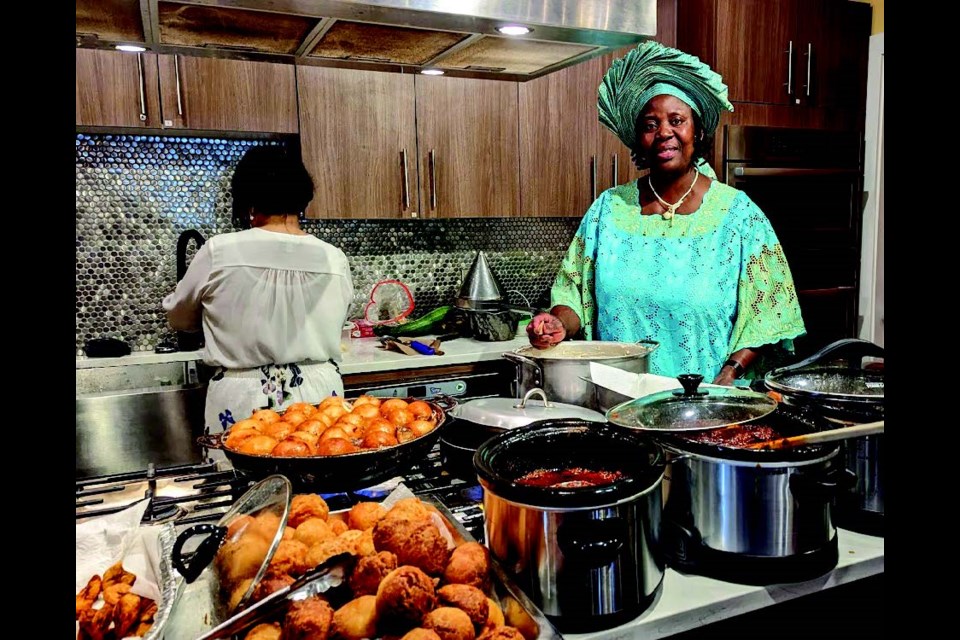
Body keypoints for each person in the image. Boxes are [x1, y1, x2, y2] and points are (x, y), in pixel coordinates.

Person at [527, 42, 806, 386]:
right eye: (650, 123)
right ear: (638, 138)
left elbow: (769, 317)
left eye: (677, 120)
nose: (664, 133)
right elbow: (572, 295)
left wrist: (728, 375)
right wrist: (557, 323)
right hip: (618, 401)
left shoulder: (738, 216)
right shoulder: (609, 210)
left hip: (702, 404)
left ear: (697, 131)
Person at [163, 145, 354, 442]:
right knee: (320, 481)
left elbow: (180, 319)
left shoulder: (219, 251)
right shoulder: (334, 258)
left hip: (245, 398)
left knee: (243, 484)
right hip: (320, 397)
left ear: (247, 198)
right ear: (302, 195)